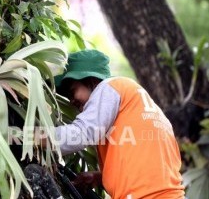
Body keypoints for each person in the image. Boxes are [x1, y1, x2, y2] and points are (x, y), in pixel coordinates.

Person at [53, 49, 185, 199]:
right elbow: (147, 171)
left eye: (72, 92)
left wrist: (32, 137)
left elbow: (80, 134)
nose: (71, 101)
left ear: (92, 81)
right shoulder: (141, 108)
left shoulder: (109, 87)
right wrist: (99, 177)